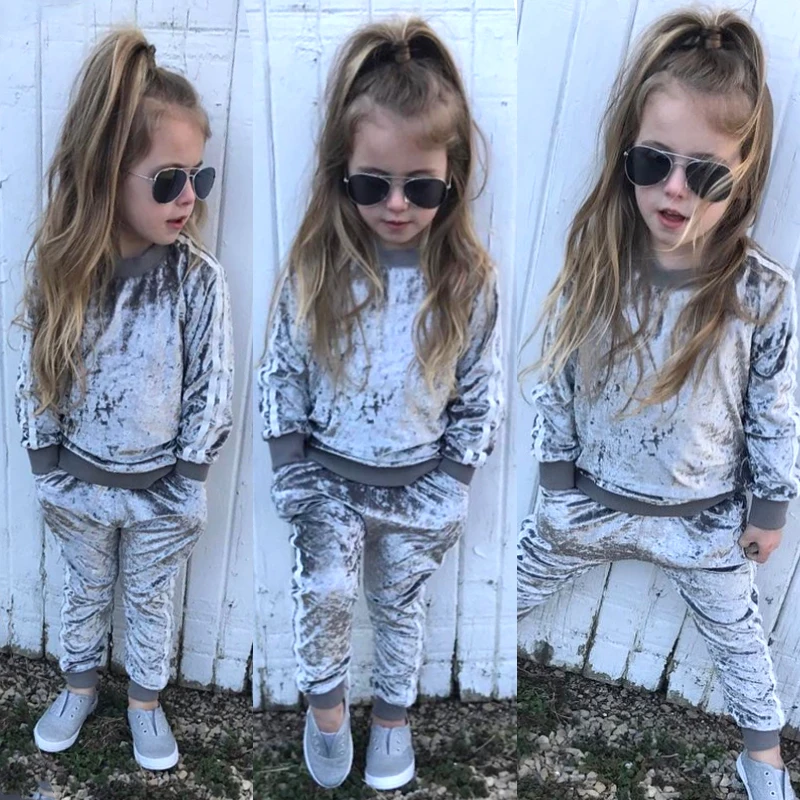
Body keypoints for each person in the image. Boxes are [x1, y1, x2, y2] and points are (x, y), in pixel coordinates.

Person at [517, 9, 799, 800]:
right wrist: (556, 477)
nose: (675, 189)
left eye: (706, 174)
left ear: (744, 175)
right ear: (627, 158)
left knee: (742, 645)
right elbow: (556, 375)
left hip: (703, 522)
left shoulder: (760, 294)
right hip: (587, 503)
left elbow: (774, 409)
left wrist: (771, 505)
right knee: (505, 592)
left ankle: (764, 756)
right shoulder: (598, 262)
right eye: (653, 162)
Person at [258, 16, 504, 791]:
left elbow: (481, 389)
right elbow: (282, 373)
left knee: (401, 605)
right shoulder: (317, 267)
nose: (396, 205)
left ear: (451, 179)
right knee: (325, 593)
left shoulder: (467, 281)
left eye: (419, 187)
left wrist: (455, 481)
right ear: (344, 175)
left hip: (420, 485)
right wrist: (291, 470)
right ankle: (327, 709)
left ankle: (393, 716)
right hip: (327, 480)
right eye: (373, 185)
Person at [15, 28, 234, 772]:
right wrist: (46, 466)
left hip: (161, 491)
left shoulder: (198, 280)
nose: (189, 198)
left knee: (149, 597)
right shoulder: (63, 272)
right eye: (169, 180)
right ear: (109, 174)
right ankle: (78, 685)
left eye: (199, 178)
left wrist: (189, 479)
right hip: (77, 484)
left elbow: (211, 385)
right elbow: (35, 373)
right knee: (83, 591)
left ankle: (145, 700)